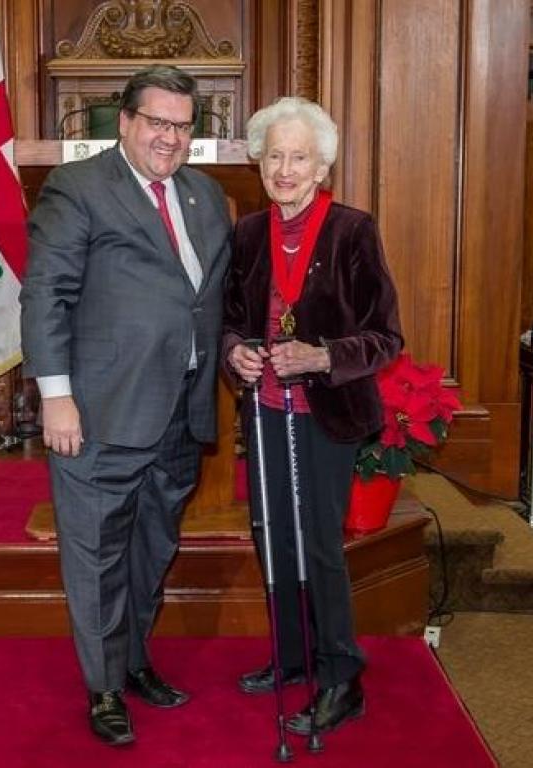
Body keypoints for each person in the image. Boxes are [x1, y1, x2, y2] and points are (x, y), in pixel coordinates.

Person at [20, 64, 232, 747]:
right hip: (100, 412)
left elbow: (209, 298)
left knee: (152, 547)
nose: (171, 138)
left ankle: (134, 659)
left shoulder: (206, 194)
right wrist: (56, 398)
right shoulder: (79, 188)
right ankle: (104, 687)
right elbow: (44, 295)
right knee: (98, 554)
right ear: (128, 121)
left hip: (180, 410)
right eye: (158, 123)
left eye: (183, 125)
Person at [222, 97, 403, 735]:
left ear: (321, 166)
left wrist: (323, 356)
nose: (286, 168)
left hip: (326, 416)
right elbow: (233, 325)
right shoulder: (246, 233)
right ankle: (294, 656)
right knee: (274, 540)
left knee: (320, 548)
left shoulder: (353, 229)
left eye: (300, 157)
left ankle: (341, 677)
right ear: (259, 162)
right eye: (275, 155)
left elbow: (386, 337)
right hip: (267, 411)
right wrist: (235, 353)